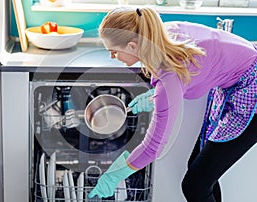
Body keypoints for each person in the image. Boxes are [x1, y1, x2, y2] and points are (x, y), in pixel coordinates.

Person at [88, 6, 257, 202]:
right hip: (237, 81)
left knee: (195, 184)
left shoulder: (169, 77)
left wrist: (114, 175)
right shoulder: (158, 34)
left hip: (251, 94)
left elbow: (153, 147)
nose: (112, 57)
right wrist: (155, 96)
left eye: (114, 52)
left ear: (133, 46)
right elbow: (186, 73)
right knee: (200, 175)